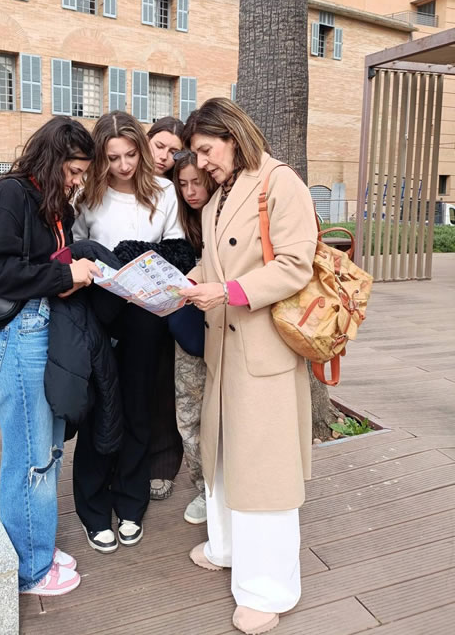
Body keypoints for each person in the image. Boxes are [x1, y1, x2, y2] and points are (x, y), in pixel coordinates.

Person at [179, 97, 317, 635]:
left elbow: (296, 264)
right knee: (223, 457)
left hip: (262, 349)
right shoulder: (219, 196)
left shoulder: (280, 183)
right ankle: (228, 546)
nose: (201, 163)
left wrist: (228, 291)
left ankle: (269, 589)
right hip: (225, 348)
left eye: (206, 150)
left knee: (263, 471)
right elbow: (215, 262)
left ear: (233, 137)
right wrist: (186, 282)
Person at [0, 117, 101, 596]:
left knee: (45, 452)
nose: (77, 181)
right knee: (30, 459)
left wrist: (72, 269)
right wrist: (66, 277)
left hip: (41, 332)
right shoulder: (12, 194)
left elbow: (38, 263)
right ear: (52, 160)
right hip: (18, 337)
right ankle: (30, 569)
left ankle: (35, 546)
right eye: (73, 170)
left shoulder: (48, 201)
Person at [73, 111, 184, 552]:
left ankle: (131, 502)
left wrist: (139, 259)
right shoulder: (88, 194)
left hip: (147, 314)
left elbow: (178, 249)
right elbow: (76, 251)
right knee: (99, 407)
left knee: (139, 407)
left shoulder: (164, 191)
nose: (123, 165)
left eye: (131, 155)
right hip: (99, 313)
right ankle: (93, 507)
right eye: (113, 157)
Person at [171, 150, 217, 525]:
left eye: (196, 183)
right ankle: (203, 488)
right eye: (183, 184)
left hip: (228, 324)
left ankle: (225, 490)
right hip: (187, 330)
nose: (190, 191)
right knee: (188, 413)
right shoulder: (179, 220)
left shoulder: (225, 213)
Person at [146, 116, 185, 501]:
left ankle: (163, 462)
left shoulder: (175, 190)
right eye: (159, 146)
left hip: (163, 297)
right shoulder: (112, 180)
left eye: (174, 151)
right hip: (109, 298)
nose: (164, 156)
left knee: (162, 383)